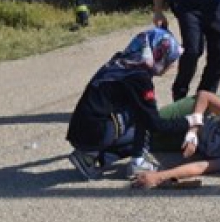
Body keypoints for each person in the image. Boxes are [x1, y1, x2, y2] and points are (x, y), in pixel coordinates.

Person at [66, 27, 204, 180]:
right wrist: (189, 121)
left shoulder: (121, 62)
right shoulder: (138, 77)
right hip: (95, 131)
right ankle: (136, 162)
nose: (171, 66)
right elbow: (155, 123)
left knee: (136, 131)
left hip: (81, 130)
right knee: (144, 116)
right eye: (170, 60)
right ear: (158, 53)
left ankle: (92, 156)